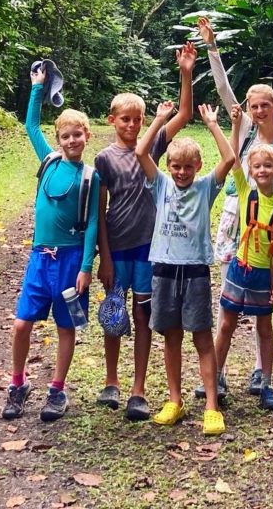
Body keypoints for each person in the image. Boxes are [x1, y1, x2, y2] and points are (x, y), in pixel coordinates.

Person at [94, 41, 197, 421]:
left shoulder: (154, 144)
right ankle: (111, 382)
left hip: (149, 249)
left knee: (142, 318)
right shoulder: (104, 158)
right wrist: (103, 255)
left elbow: (184, 112)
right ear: (112, 120)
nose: (133, 125)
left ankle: (138, 388)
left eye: (137, 119)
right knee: (113, 313)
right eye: (125, 120)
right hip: (116, 248)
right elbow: (99, 211)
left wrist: (185, 73)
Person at [197, 15, 273, 396]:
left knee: (261, 311)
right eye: (253, 106)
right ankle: (217, 373)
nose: (257, 111)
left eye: (263, 106)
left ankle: (261, 372)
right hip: (234, 219)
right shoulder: (245, 132)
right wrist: (212, 47)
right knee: (229, 300)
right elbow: (223, 90)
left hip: (269, 227)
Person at [1, 66, 100, 423]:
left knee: (66, 327)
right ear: (58, 139)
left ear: (87, 136)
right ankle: (18, 383)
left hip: (72, 261)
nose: (72, 141)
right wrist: (37, 87)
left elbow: (91, 223)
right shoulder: (49, 161)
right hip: (40, 258)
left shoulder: (91, 176)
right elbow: (29, 126)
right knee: (21, 324)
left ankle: (57, 390)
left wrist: (87, 267)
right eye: (66, 136)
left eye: (78, 135)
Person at [135, 101, 236, 436]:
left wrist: (212, 124)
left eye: (187, 167)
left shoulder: (205, 187)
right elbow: (140, 153)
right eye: (175, 166)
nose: (180, 172)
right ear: (168, 166)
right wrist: (160, 119)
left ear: (197, 166)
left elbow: (230, 160)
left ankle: (211, 406)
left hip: (194, 271)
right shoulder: (160, 184)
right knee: (171, 337)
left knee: (202, 338)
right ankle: (174, 400)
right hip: (163, 269)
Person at [213, 136, 273, 411]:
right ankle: (214, 377)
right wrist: (219, 125)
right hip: (240, 269)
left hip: (264, 275)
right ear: (250, 169)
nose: (262, 171)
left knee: (264, 328)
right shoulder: (246, 192)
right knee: (226, 324)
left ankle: (266, 383)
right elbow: (231, 157)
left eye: (268, 166)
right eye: (257, 166)